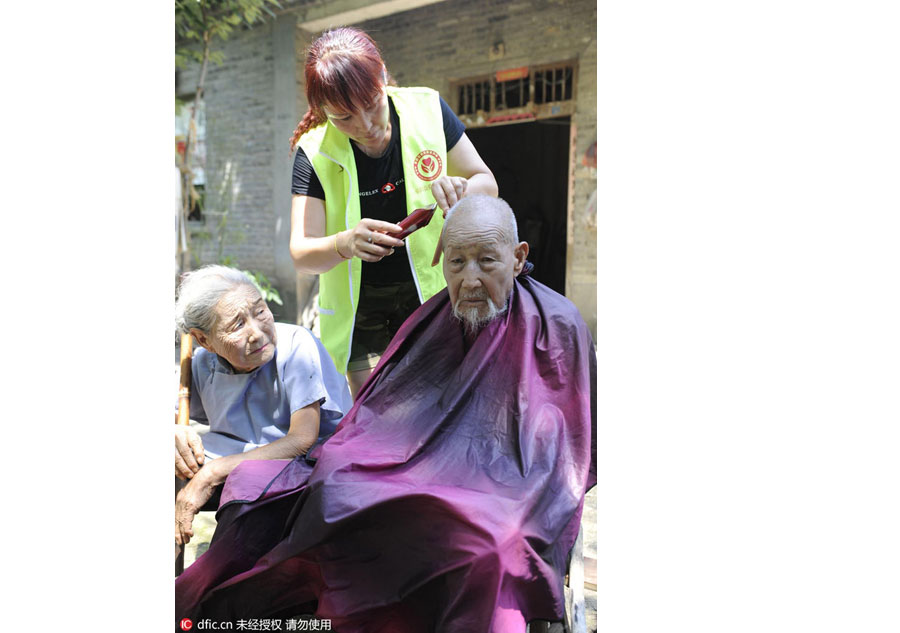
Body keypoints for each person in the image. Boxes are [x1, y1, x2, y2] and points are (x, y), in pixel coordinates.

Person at [175, 196, 596, 632]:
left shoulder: (556, 325)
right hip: (418, 464)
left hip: (509, 484)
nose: (469, 279)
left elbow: (556, 449)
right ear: (441, 260)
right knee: (336, 489)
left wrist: (478, 477)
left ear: (517, 257)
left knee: (490, 546)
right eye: (456, 263)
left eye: (486, 261)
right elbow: (384, 408)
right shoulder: (434, 319)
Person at [287, 26, 498, 397]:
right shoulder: (314, 151)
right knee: (378, 419)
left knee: (443, 409)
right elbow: (302, 254)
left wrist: (461, 190)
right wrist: (346, 242)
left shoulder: (427, 109)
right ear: (323, 111)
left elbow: (486, 182)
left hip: (433, 298)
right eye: (344, 118)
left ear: (383, 75)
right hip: (360, 315)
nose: (365, 126)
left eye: (371, 104)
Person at [173, 265, 352, 547]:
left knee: (244, 499)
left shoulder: (296, 345)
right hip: (234, 464)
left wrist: (212, 473)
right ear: (205, 340)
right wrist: (174, 432)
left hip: (302, 468)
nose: (257, 332)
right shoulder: (202, 364)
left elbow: (302, 440)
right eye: (237, 325)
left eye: (260, 311)